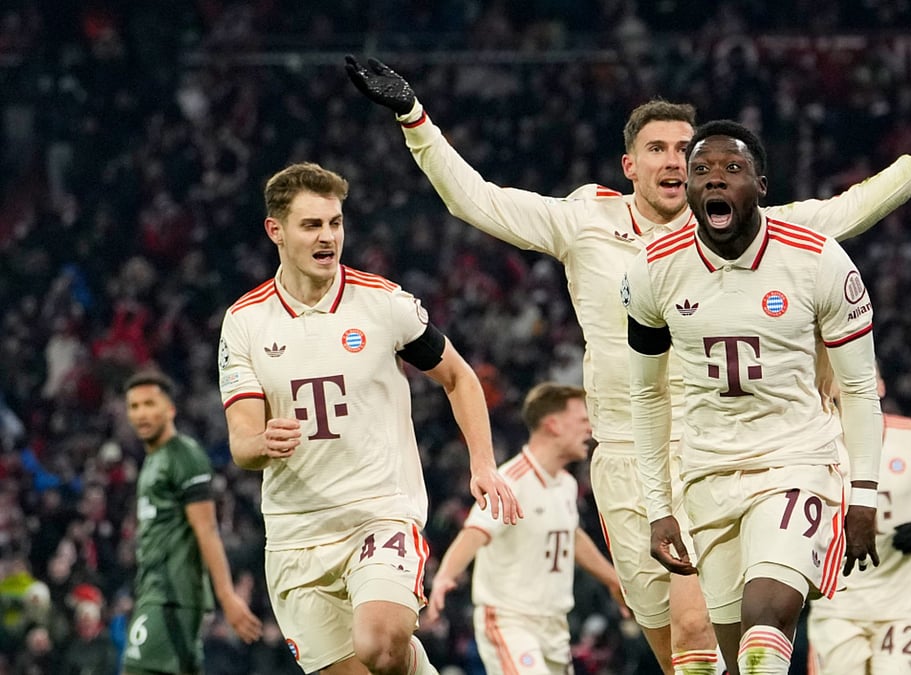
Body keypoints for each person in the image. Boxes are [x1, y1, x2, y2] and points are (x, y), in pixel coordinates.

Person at [345, 54, 911, 675]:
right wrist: (414, 117)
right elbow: (476, 199)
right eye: (657, 149)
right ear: (630, 165)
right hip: (627, 458)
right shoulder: (584, 222)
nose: (674, 161)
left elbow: (842, 212)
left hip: (717, 447)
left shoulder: (736, 228)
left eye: (683, 150)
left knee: (702, 624)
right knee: (676, 646)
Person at [218, 161, 521, 675]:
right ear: (276, 231)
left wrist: (483, 464)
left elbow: (459, 378)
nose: (327, 237)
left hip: (379, 515)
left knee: (380, 643)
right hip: (296, 535)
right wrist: (264, 441)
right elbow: (242, 443)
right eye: (311, 225)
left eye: (335, 223)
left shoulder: (383, 303)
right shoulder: (244, 322)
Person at [623, 119, 884, 675]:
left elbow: (860, 387)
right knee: (738, 658)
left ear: (761, 185)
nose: (715, 180)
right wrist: (659, 506)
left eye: (732, 169)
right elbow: (646, 396)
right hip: (705, 474)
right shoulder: (651, 269)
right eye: (702, 170)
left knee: (765, 636)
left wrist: (863, 492)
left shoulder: (818, 260)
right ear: (689, 189)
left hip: (796, 462)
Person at [425, 383, 626, 674]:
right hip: (510, 621)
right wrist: (445, 575)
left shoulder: (566, 484)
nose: (590, 429)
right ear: (553, 425)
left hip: (555, 625)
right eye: (583, 420)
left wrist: (613, 580)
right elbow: (474, 532)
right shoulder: (511, 480)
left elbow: (570, 536)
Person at [806, 370, 911, 675]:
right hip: (837, 606)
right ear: (831, 389)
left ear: (880, 386)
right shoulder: (815, 444)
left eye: (866, 376)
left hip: (899, 608)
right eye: (847, 376)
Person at [122, 370, 262, 674]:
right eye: (134, 406)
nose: (141, 413)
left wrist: (227, 595)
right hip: (155, 591)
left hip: (173, 597)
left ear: (169, 409)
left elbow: (206, 529)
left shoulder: (184, 456)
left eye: (149, 404)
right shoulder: (152, 460)